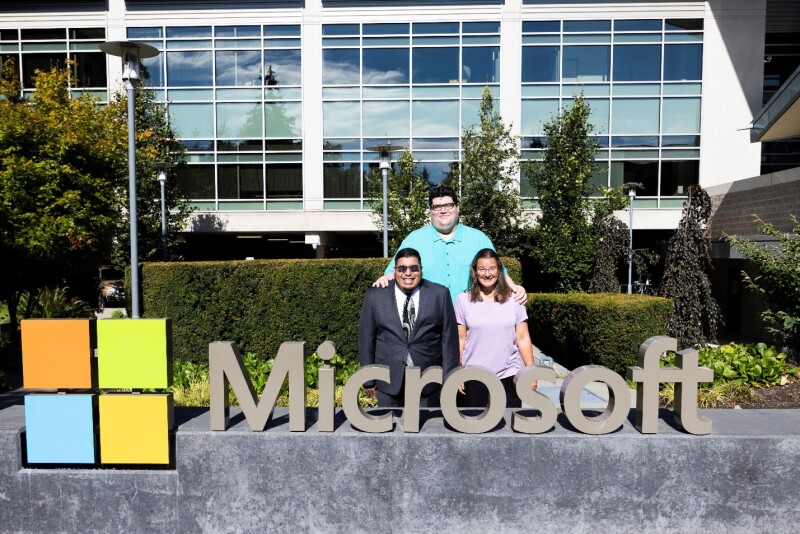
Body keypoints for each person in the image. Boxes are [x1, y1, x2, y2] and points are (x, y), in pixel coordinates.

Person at [372, 185, 526, 303]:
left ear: (457, 208)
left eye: (448, 205)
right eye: (437, 207)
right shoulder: (413, 239)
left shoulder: (479, 239)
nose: (443, 211)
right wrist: (384, 278)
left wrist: (515, 288)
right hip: (428, 322)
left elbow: (499, 272)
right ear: (431, 211)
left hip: (470, 321)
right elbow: (393, 272)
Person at [358, 247, 459, 407]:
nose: (408, 273)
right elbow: (366, 340)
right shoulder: (375, 295)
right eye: (402, 268)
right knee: (389, 428)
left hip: (429, 382)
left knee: (428, 430)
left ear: (421, 270)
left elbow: (449, 339)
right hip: (387, 381)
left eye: (414, 268)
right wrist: (368, 379)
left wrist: (450, 377)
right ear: (395, 270)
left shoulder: (439, 294)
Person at [455, 248, 536, 408]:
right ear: (475, 271)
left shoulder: (515, 300)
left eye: (492, 268)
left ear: (499, 271)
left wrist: (530, 372)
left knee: (508, 430)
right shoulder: (463, 299)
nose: (487, 274)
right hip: (474, 377)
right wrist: (457, 372)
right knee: (474, 429)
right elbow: (460, 339)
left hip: (508, 376)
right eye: (482, 269)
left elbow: (523, 337)